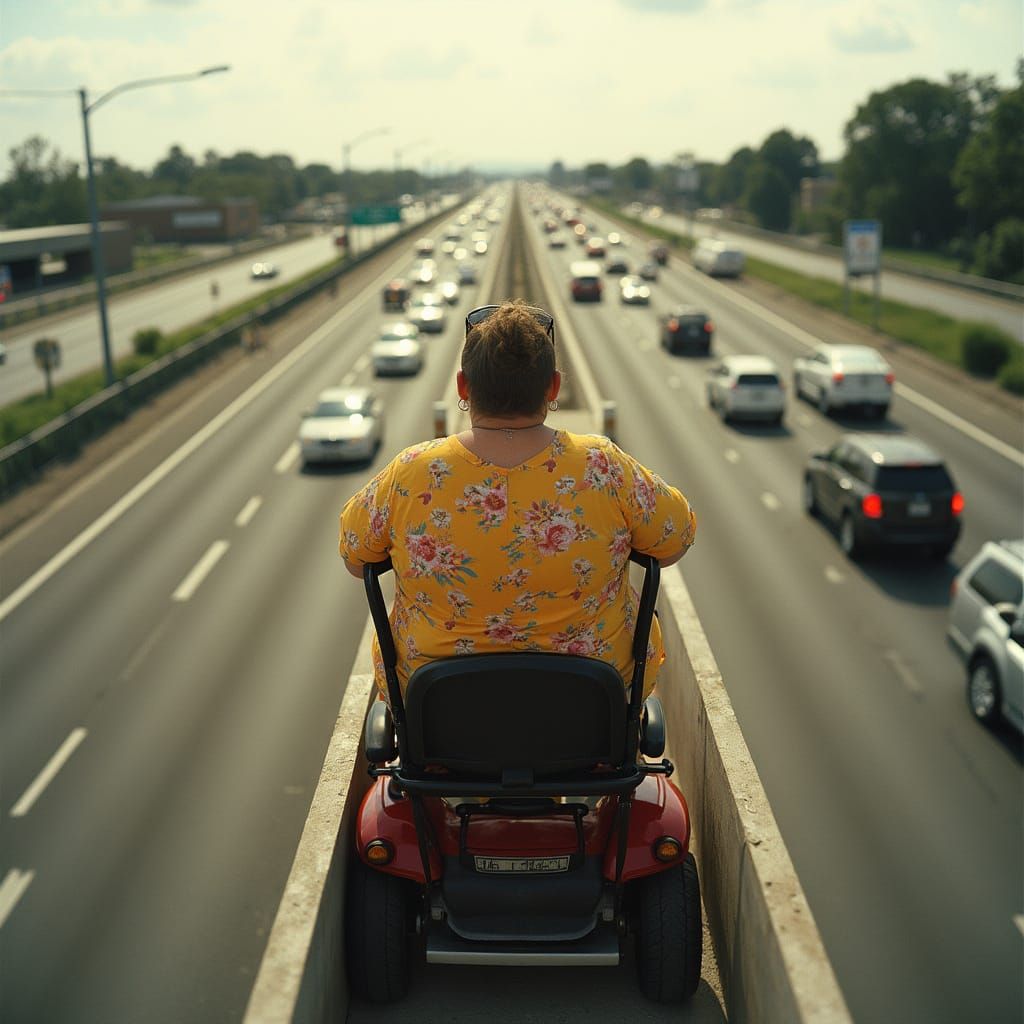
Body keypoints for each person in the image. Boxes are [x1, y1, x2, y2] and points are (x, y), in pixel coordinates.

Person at [339, 300, 696, 704]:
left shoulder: (411, 473)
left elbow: (355, 558)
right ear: (554, 387)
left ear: (463, 387)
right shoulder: (603, 466)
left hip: (441, 726)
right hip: (589, 720)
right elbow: (676, 537)